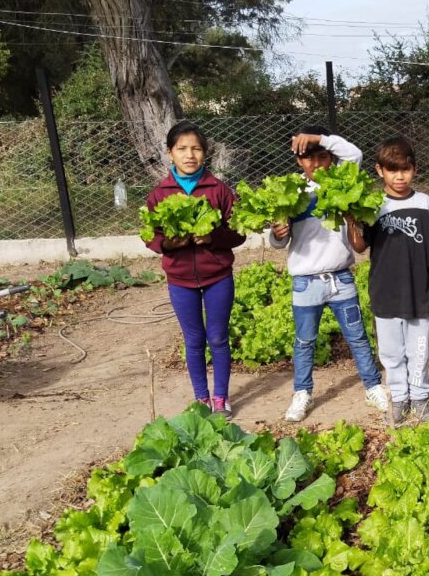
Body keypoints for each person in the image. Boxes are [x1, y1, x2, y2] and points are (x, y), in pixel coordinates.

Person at [267, 126, 389, 422]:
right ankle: (302, 392)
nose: (317, 164)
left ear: (332, 157)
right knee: (304, 341)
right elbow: (278, 241)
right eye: (310, 158)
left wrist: (319, 139)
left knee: (357, 337)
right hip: (306, 282)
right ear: (299, 161)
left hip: (341, 278)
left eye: (323, 156)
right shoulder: (291, 190)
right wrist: (277, 234)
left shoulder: (340, 181)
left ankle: (373, 387)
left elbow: (355, 154)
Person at [144, 120, 245, 417]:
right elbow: (150, 234)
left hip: (218, 277)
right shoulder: (159, 193)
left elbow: (238, 232)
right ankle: (201, 398)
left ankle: (220, 398)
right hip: (180, 280)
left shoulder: (219, 190)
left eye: (197, 149)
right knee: (194, 340)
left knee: (218, 337)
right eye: (182, 149)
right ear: (170, 153)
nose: (190, 155)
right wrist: (168, 244)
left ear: (205, 153)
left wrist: (214, 238)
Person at [347, 137, 429, 424]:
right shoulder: (373, 205)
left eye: (405, 169)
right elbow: (360, 246)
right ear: (380, 170)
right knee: (391, 352)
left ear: (414, 169)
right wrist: (350, 220)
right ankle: (399, 398)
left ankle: (420, 398)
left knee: (419, 350)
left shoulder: (426, 204)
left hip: (419, 290)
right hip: (385, 291)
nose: (399, 176)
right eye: (392, 170)